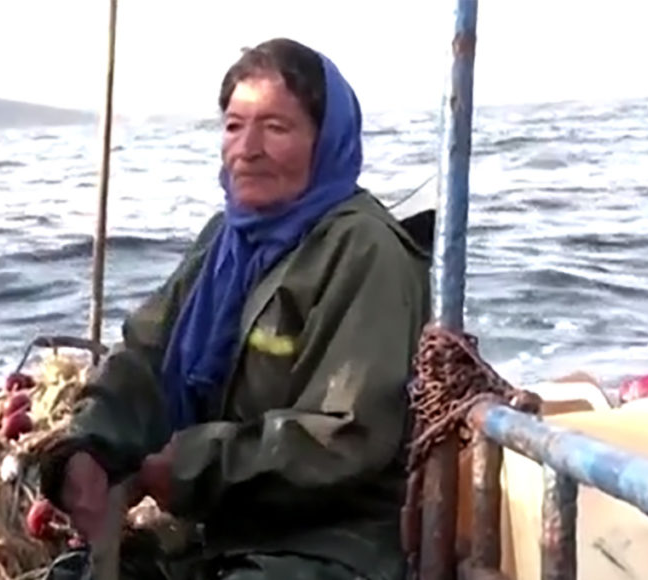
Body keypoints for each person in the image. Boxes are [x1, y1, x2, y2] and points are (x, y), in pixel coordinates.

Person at [39, 38, 431, 580]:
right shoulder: (225, 240)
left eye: (276, 127)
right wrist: (86, 447)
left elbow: (345, 435)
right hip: (219, 534)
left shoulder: (365, 250)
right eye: (233, 126)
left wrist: (191, 467)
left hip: (333, 545)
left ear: (325, 140)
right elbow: (147, 356)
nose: (248, 148)